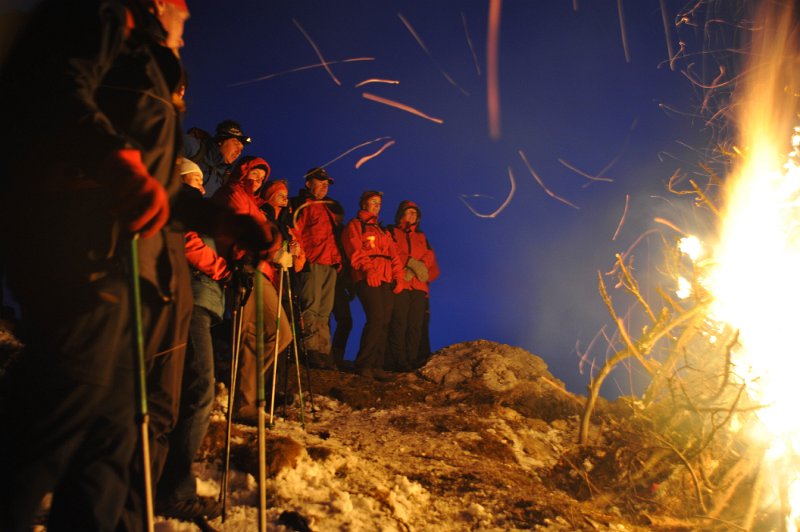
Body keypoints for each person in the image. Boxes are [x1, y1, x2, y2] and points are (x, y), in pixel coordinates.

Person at [0, 2, 275, 528]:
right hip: (89, 256)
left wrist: (219, 222)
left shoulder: (153, 67)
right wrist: (110, 157)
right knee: (60, 407)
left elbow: (156, 186)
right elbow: (48, 91)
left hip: (144, 274)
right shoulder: (100, 20)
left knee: (115, 441)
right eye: (178, 1)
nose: (188, 11)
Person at [156, 159, 229, 519]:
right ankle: (175, 489)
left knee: (176, 392)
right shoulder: (180, 200)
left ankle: (158, 481)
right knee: (199, 389)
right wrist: (223, 268)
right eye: (196, 178)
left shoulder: (187, 203)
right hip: (188, 299)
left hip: (194, 299)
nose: (202, 185)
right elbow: (186, 242)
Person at [213, 156, 292, 425]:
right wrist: (274, 249)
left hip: (260, 271)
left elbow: (265, 232)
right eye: (253, 174)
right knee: (249, 334)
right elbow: (246, 232)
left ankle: (243, 398)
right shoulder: (232, 193)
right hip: (243, 269)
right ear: (242, 172)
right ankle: (243, 403)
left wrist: (277, 249)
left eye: (261, 176)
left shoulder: (255, 204)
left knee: (278, 334)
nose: (257, 180)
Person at [342, 191, 405, 381]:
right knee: (376, 317)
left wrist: (399, 277)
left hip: (386, 279)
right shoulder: (356, 225)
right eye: (373, 202)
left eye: (379, 203)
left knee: (385, 320)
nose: (377, 206)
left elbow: (394, 255)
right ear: (364, 204)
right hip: (366, 277)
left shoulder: (382, 230)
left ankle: (377, 364)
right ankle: (364, 364)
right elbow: (355, 250)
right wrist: (368, 270)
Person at [290, 167, 343, 370]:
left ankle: (323, 351)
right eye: (320, 181)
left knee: (324, 311)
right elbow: (296, 232)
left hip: (330, 264)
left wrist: (338, 261)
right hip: (312, 262)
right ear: (308, 183)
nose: (324, 186)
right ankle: (310, 350)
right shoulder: (302, 204)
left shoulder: (327, 208)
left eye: (326, 183)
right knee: (310, 306)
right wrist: (300, 258)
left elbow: (332, 237)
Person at [386, 201, 440, 372]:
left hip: (418, 286)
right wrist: (409, 263)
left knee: (416, 325)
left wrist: (419, 266)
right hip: (400, 284)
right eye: (408, 212)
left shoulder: (421, 236)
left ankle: (412, 359)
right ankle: (399, 361)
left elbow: (429, 256)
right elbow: (392, 251)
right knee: (399, 323)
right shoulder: (392, 231)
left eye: (414, 214)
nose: (411, 216)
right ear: (401, 214)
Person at [184, 119, 252, 197]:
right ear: (221, 141)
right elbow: (168, 151)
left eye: (241, 150)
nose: (238, 152)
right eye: (235, 144)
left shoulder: (225, 178)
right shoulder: (194, 148)